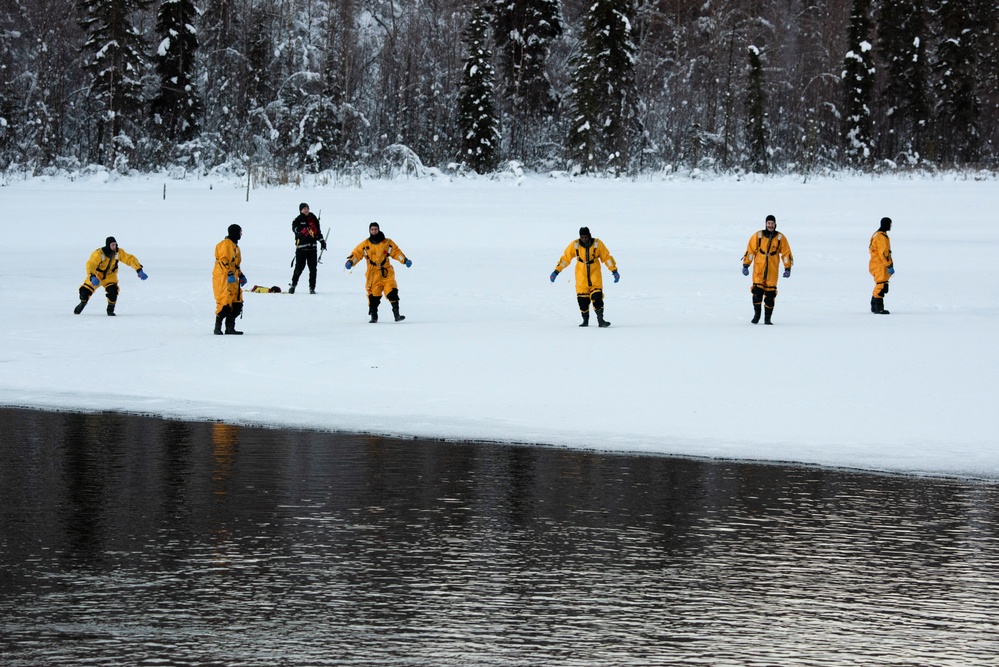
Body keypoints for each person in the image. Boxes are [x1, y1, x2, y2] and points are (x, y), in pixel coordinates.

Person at [550, 227, 619, 327]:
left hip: (595, 275)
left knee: (597, 297)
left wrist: (614, 270)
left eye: (586, 237)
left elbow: (606, 257)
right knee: (583, 301)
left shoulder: (597, 244)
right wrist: (556, 271)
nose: (584, 239)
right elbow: (566, 258)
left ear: (589, 235)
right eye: (582, 237)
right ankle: (585, 320)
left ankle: (601, 320)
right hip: (581, 276)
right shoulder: (575, 245)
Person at [345, 222, 411, 323]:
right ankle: (374, 316)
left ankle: (397, 314)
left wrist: (405, 260)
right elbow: (357, 254)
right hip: (373, 274)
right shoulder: (365, 244)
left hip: (386, 272)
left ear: (378, 229)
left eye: (375, 229)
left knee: (392, 291)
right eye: (372, 229)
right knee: (373, 296)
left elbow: (396, 252)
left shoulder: (387, 243)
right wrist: (350, 262)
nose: (374, 231)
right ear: (369, 230)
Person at [73, 236, 147, 316]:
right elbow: (91, 264)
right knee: (84, 292)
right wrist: (92, 276)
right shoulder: (99, 253)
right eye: (112, 245)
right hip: (97, 275)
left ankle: (110, 310)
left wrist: (139, 269)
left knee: (113, 291)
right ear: (108, 245)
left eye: (115, 244)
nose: (114, 246)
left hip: (110, 276)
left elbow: (130, 259)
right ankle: (83, 303)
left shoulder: (118, 252)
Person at [742, 214, 793, 325]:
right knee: (757, 292)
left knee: (770, 295)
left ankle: (767, 318)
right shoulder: (758, 236)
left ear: (775, 224)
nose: (770, 225)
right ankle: (757, 314)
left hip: (772, 271)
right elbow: (750, 251)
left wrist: (787, 267)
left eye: (772, 223)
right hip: (759, 270)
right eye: (768, 223)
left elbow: (786, 253)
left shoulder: (780, 238)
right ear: (765, 224)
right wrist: (746, 265)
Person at [213, 224, 247, 335]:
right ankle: (217, 327)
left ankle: (230, 328)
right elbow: (223, 261)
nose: (241, 234)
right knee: (225, 300)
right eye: (240, 231)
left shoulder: (235, 246)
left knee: (237, 301)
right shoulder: (225, 245)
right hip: (223, 278)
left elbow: (235, 264)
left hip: (233, 278)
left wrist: (240, 275)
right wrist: (230, 273)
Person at [290, 202, 326, 294]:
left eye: (307, 208)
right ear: (301, 210)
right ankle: (293, 285)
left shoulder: (313, 218)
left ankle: (312, 288)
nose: (306, 210)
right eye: (304, 208)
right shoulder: (297, 219)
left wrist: (322, 241)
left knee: (313, 269)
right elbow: (295, 229)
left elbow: (318, 232)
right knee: (299, 268)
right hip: (301, 249)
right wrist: (304, 228)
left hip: (312, 249)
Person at [869, 216, 894, 314]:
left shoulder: (876, 234)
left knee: (881, 284)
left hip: (876, 263)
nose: (891, 226)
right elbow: (884, 252)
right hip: (880, 265)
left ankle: (874, 306)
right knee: (881, 285)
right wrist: (889, 265)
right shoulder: (881, 237)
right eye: (890, 224)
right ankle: (878, 307)